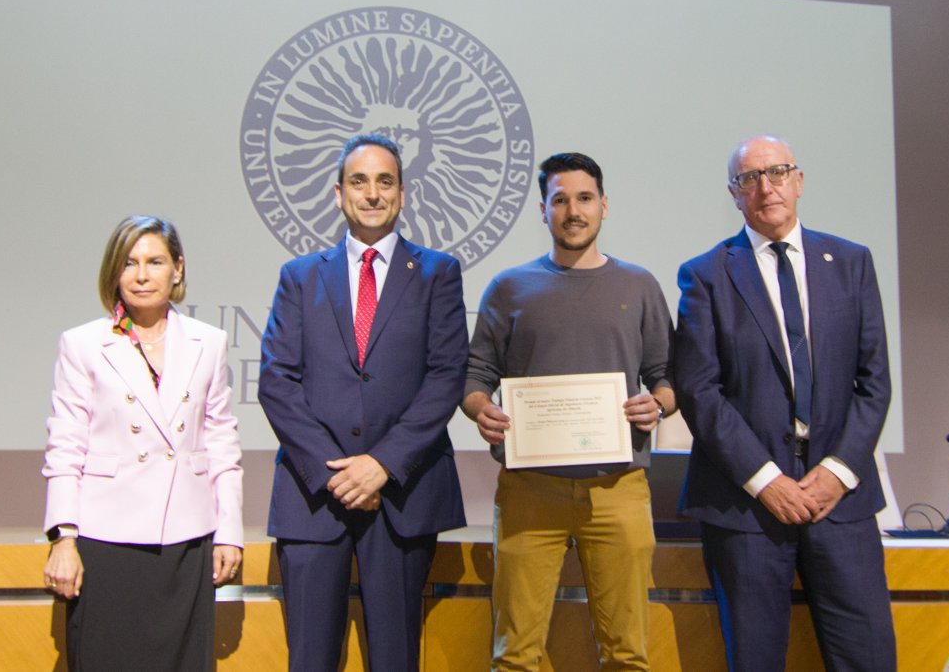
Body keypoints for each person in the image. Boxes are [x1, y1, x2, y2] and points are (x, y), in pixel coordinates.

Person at [673, 135, 896, 671]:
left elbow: (874, 383)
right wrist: (766, 479)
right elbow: (700, 391)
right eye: (750, 178)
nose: (765, 187)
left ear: (799, 180)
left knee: (868, 658)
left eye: (777, 172)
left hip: (840, 504)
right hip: (747, 506)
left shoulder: (850, 262)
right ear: (734, 193)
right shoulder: (705, 274)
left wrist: (838, 471)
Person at [259, 133, 468, 671]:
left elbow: (445, 377)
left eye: (385, 181)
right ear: (338, 194)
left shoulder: (438, 273)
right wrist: (339, 475)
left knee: (396, 658)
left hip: (403, 493)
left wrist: (381, 465)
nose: (372, 193)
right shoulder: (300, 277)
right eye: (359, 181)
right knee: (309, 658)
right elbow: (277, 381)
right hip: (314, 496)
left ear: (402, 192)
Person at [463, 152, 675, 671]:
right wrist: (480, 410)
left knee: (628, 653)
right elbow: (474, 377)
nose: (573, 211)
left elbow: (668, 377)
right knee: (515, 655)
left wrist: (658, 404)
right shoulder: (509, 287)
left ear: (604, 206)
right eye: (560, 200)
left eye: (584, 198)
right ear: (543, 211)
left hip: (619, 488)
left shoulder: (639, 285)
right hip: (529, 490)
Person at [41, 215, 244, 671]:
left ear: (177, 269)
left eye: (154, 262)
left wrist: (229, 531)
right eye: (129, 263)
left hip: (186, 539)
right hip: (107, 537)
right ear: (114, 272)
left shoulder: (208, 342)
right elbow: (65, 445)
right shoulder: (84, 344)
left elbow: (221, 443)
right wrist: (63, 538)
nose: (141, 274)